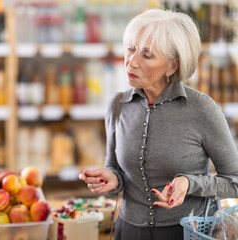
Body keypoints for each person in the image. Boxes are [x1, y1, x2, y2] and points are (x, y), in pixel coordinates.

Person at [79, 8, 238, 240]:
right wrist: (111, 180)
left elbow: (234, 181)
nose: (131, 62)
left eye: (147, 55)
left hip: (187, 231)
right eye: (130, 49)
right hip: (128, 231)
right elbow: (114, 168)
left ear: (172, 66)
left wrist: (189, 182)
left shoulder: (202, 109)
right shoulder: (117, 105)